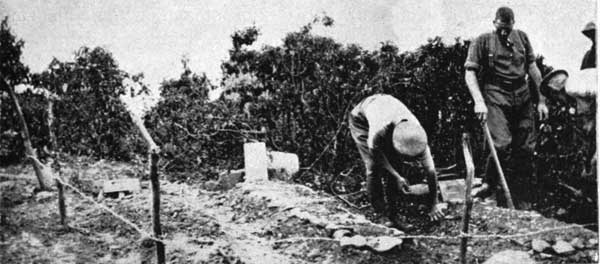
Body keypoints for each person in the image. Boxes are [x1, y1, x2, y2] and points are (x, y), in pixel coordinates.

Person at [464, 7, 549, 209]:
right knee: (501, 144)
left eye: (507, 28)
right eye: (500, 28)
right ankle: (489, 184)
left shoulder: (522, 38)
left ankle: (521, 197)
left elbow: (533, 68)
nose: (504, 32)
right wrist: (479, 101)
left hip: (522, 95)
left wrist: (542, 100)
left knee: (526, 148)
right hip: (495, 94)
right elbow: (470, 73)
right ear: (495, 23)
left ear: (513, 24)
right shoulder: (482, 41)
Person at [348, 94, 445, 230]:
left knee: (396, 165)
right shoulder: (378, 131)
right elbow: (376, 154)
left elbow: (431, 171)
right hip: (361, 119)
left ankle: (394, 215)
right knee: (372, 168)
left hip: (389, 114)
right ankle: (380, 214)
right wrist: (396, 176)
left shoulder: (417, 134)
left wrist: (434, 204)